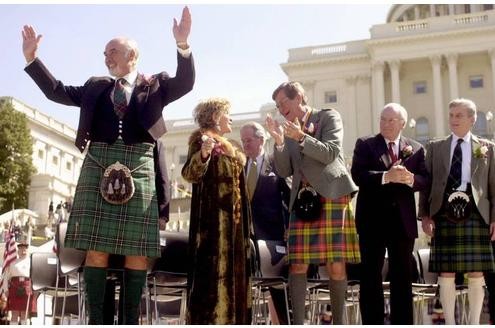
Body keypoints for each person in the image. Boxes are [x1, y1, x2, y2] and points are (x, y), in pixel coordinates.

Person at [22, 6, 194, 324]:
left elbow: (186, 83)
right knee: (95, 251)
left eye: (112, 51)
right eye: (104, 53)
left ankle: (129, 320)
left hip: (139, 168)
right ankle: (98, 321)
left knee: (137, 253)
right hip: (97, 165)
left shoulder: (154, 85)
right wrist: (33, 59)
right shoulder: (95, 86)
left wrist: (182, 46)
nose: (106, 57)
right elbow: (56, 90)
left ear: (132, 54)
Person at [265, 81, 360, 325]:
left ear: (298, 98)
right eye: (277, 105)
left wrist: (301, 137)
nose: (280, 108)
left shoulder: (328, 117)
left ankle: (338, 323)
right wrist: (279, 142)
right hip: (304, 201)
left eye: (283, 103)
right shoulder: (288, 128)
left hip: (332, 196)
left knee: (336, 267)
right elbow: (285, 169)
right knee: (297, 266)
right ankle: (298, 323)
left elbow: (330, 153)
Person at [351, 103, 428, 324]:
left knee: (402, 278)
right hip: (372, 222)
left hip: (402, 224)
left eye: (391, 120)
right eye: (382, 119)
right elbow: (358, 175)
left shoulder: (416, 148)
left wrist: (410, 179)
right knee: (370, 277)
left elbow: (424, 180)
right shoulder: (365, 144)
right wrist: (386, 176)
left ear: (402, 123)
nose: (385, 123)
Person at [419, 98, 495, 325]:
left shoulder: (487, 148)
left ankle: (473, 324)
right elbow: (427, 184)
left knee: (476, 273)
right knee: (446, 273)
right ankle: (451, 324)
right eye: (451, 115)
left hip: (475, 211)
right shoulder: (435, 147)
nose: (453, 120)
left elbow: (493, 186)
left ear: (472, 120)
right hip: (444, 211)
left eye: (459, 116)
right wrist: (424, 214)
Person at [182, 98, 252, 324]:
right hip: (212, 227)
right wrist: (203, 154)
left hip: (235, 226)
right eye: (227, 113)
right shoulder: (202, 141)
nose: (231, 118)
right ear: (214, 116)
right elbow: (190, 173)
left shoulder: (230, 148)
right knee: (212, 281)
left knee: (234, 281)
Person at [240, 121, 291, 324]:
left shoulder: (275, 164)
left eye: (249, 140)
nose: (245, 145)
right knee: (245, 290)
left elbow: (288, 198)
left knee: (278, 290)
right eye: (243, 141)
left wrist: (289, 227)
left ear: (261, 140)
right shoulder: (238, 167)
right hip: (245, 237)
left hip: (272, 237)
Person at [3, 235, 37, 325]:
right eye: (21, 248)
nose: (23, 250)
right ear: (18, 250)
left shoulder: (32, 261)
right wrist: (6, 289)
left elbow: (35, 277)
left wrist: (36, 290)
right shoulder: (12, 262)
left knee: (24, 313)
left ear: (27, 249)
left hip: (27, 288)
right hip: (14, 287)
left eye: (25, 248)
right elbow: (6, 277)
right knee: (14, 313)